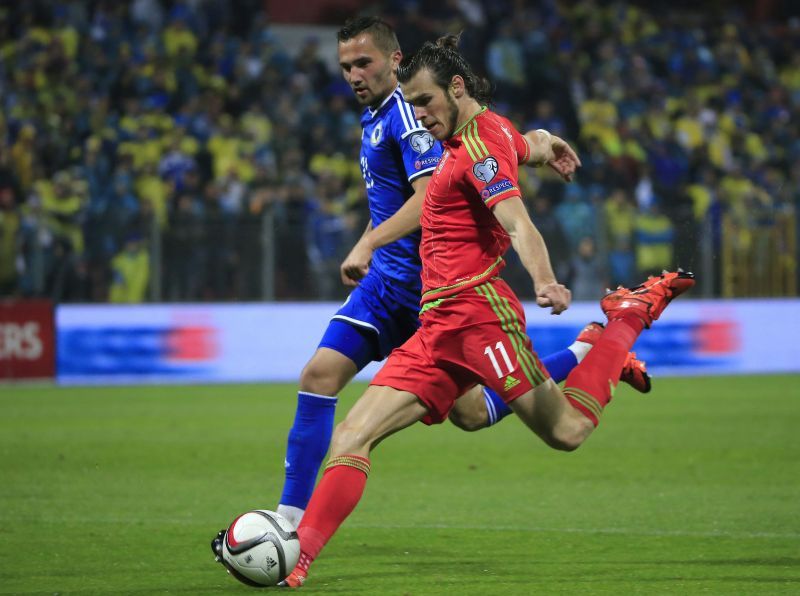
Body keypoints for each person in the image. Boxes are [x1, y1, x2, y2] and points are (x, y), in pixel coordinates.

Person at [277, 34, 695, 587]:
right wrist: (550, 145)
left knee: (566, 431)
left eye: (425, 103)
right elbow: (520, 147)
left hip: (480, 317)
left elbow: (517, 220)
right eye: (413, 105)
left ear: (455, 88)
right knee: (359, 434)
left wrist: (545, 280)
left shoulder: (476, 149)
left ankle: (627, 317)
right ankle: (297, 560)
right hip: (435, 327)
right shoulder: (486, 130)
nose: (419, 117)